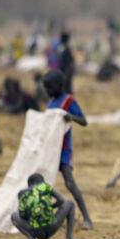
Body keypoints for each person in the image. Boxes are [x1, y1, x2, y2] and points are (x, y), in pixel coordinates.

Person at [43, 70, 93, 229]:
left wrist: (71, 117)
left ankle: (87, 218)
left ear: (59, 85)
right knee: (43, 183)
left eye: (50, 88)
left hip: (63, 149)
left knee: (70, 183)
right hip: (50, 149)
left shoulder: (68, 101)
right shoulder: (51, 102)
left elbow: (84, 121)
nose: (47, 91)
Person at [11, 173, 77, 239]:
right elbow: (61, 200)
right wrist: (51, 207)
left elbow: (22, 214)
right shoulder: (46, 186)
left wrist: (32, 212)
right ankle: (69, 237)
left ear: (29, 184)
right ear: (42, 182)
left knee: (14, 215)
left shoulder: (22, 193)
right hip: (52, 226)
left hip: (36, 231)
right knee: (70, 203)